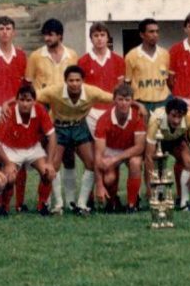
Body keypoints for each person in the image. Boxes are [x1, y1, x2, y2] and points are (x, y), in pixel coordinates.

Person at [37, 65, 113, 214]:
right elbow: (33, 95)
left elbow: (114, 98)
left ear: (83, 81)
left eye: (78, 80)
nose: (74, 84)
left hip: (79, 127)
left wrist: (137, 105)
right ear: (65, 81)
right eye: (71, 80)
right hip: (59, 127)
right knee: (53, 165)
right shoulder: (54, 91)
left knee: (91, 163)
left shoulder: (91, 91)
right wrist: (9, 103)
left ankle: (81, 204)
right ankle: (58, 204)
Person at [24, 18, 79, 210]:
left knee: (69, 156)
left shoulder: (72, 55)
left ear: (60, 36)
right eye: (45, 35)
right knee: (50, 155)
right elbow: (28, 84)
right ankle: (52, 200)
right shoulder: (36, 56)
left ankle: (71, 201)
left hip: (66, 109)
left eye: (51, 35)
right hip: (45, 109)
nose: (47, 38)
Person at [0, 85, 57, 216]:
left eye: (28, 100)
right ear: (16, 100)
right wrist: (7, 163)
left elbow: (52, 136)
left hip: (33, 148)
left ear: (34, 101)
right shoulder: (9, 112)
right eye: (22, 100)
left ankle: (42, 205)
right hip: (12, 149)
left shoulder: (40, 109)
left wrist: (49, 162)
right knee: (9, 177)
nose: (25, 104)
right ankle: (4, 206)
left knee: (49, 173)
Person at [93, 84, 147, 212]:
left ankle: (132, 204)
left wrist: (116, 159)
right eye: (120, 99)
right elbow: (98, 156)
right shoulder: (103, 120)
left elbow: (139, 147)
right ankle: (112, 201)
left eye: (127, 100)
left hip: (130, 149)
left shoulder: (137, 116)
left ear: (132, 101)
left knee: (135, 162)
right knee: (109, 178)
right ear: (114, 100)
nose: (124, 103)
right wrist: (99, 185)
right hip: (111, 149)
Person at [145, 97, 190, 210]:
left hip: (177, 140)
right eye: (173, 116)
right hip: (159, 141)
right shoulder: (155, 120)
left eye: (179, 116)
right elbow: (148, 157)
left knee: (189, 162)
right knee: (157, 165)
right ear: (167, 113)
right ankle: (157, 196)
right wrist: (149, 186)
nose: (176, 120)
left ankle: (184, 203)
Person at [78, 21, 125, 135]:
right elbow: (81, 89)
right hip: (91, 111)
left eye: (102, 35)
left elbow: (120, 87)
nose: (99, 38)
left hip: (112, 109)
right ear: (91, 39)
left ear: (108, 37)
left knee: (111, 142)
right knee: (95, 143)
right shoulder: (82, 61)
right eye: (96, 35)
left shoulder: (118, 60)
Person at [125, 18, 171, 114]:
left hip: (162, 103)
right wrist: (134, 103)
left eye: (157, 31)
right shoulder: (132, 55)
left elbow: (167, 80)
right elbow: (127, 84)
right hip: (141, 103)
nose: (155, 35)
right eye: (151, 32)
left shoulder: (165, 54)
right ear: (142, 34)